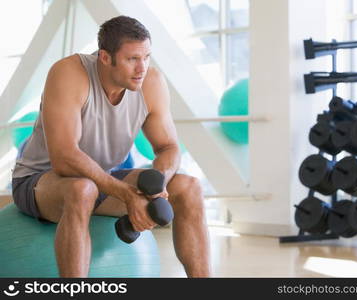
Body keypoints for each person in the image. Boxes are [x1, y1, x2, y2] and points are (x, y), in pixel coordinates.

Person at [11, 15, 211, 278]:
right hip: (40, 181)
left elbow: (168, 147)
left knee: (189, 187)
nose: (142, 68)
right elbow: (64, 158)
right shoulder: (70, 73)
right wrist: (128, 195)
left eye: (146, 57)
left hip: (100, 181)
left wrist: (158, 186)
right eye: (132, 59)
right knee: (82, 189)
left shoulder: (150, 82)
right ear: (105, 58)